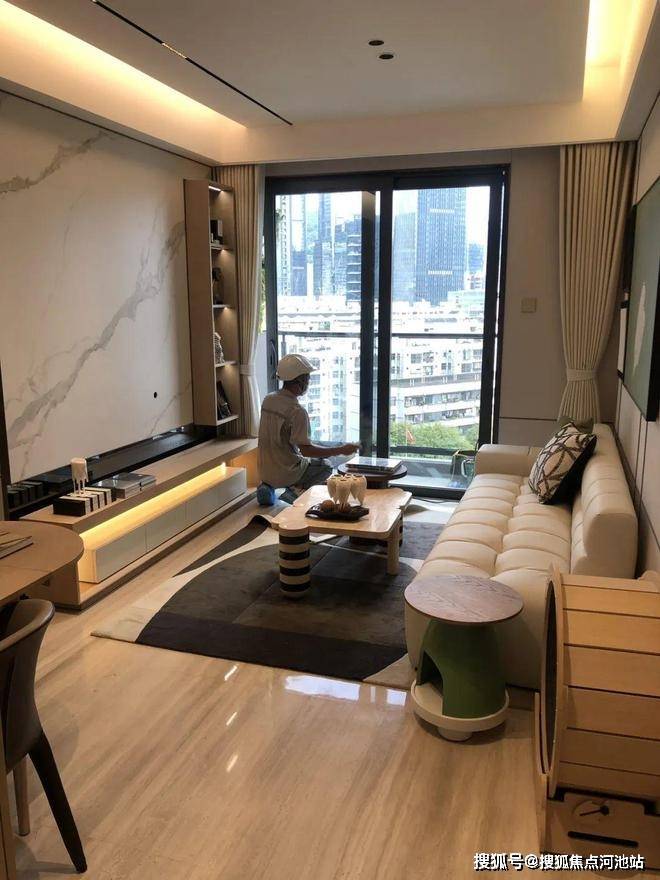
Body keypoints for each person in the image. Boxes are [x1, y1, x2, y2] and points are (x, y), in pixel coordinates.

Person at [256, 354, 360, 505]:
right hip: (286, 472)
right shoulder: (297, 411)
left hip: (264, 471)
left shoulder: (268, 400)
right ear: (300, 381)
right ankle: (293, 492)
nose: (308, 382)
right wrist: (340, 450)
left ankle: (267, 488)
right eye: (308, 378)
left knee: (297, 456)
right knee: (326, 466)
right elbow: (306, 451)